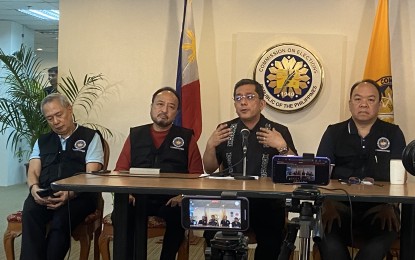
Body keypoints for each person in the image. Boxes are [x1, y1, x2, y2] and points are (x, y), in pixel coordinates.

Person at [203, 78, 298, 259]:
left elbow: (293, 171)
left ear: (262, 103)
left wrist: (282, 147)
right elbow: (209, 169)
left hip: (267, 202)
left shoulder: (278, 130)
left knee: (271, 240)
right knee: (213, 235)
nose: (243, 102)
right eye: (238, 98)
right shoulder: (225, 129)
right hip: (231, 201)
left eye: (249, 97)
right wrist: (210, 145)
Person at [316, 79, 406, 260]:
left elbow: (400, 178)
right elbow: (320, 175)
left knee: (374, 249)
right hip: (337, 207)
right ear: (350, 104)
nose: (363, 104)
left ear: (380, 104)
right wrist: (327, 204)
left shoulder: (393, 133)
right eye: (358, 99)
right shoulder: (334, 132)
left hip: (380, 209)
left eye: (371, 100)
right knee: (330, 245)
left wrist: (391, 205)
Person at [113, 87, 203, 260]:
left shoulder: (186, 137)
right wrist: (128, 193)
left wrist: (183, 195)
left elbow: (197, 174)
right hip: (138, 197)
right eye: (160, 104)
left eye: (171, 107)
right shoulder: (135, 135)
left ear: (176, 113)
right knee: (122, 214)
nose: (164, 110)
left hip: (170, 199)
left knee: (178, 215)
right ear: (151, 107)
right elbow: (120, 171)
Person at [20, 93, 104, 260]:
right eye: (50, 118)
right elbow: (33, 171)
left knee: (61, 220)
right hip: (46, 192)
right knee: (30, 212)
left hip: (79, 196)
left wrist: (71, 193)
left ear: (69, 109)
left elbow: (91, 175)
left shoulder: (90, 137)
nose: (56, 122)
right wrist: (34, 188)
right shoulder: (42, 141)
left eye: (59, 115)